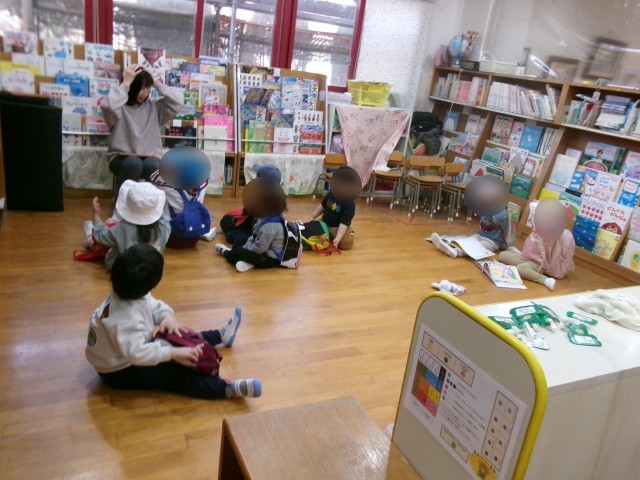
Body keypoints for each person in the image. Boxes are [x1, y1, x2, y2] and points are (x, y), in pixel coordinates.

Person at [86, 244, 261, 399]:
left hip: (131, 347)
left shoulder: (126, 288)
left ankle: (220, 336)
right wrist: (173, 354)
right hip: (120, 370)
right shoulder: (123, 321)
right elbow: (137, 354)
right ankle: (226, 389)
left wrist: (166, 316)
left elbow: (152, 304)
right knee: (173, 377)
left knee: (179, 334)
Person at [102, 64, 184, 193]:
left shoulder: (154, 108)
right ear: (132, 87)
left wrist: (156, 83)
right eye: (141, 88)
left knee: (153, 165)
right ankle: (122, 204)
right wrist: (126, 82)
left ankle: (151, 204)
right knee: (134, 164)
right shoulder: (118, 108)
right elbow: (108, 106)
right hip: (120, 157)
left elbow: (179, 101)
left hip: (150, 157)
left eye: (148, 88)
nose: (145, 93)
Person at [90, 180, 171, 270]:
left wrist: (96, 214)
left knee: (89, 226)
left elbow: (99, 236)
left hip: (121, 268)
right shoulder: (165, 226)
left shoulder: (122, 229)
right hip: (151, 268)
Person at [499, 198, 575, 290]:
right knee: (502, 255)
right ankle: (519, 253)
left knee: (520, 269)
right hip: (526, 258)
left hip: (538, 264)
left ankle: (545, 280)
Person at [431, 175, 515, 257]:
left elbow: (499, 219)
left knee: (477, 247)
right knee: (468, 241)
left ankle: (456, 252)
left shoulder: (501, 211)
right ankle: (449, 246)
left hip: (492, 241)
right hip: (479, 235)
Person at [215, 177, 286, 272]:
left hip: (269, 259)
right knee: (239, 240)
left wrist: (245, 250)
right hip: (261, 250)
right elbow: (254, 236)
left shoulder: (270, 226)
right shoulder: (264, 217)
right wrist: (246, 246)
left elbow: (260, 248)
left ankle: (228, 253)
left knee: (241, 252)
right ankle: (246, 261)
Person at [220, 163, 282, 244]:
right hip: (256, 224)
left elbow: (256, 222)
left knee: (230, 235)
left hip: (259, 231)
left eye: (257, 177)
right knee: (227, 222)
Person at [307, 166, 361, 250]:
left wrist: (338, 238)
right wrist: (312, 216)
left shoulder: (349, 205)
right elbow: (322, 206)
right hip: (324, 223)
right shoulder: (331, 194)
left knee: (345, 244)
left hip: (338, 228)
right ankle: (329, 236)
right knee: (312, 233)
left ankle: (349, 233)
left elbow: (343, 223)